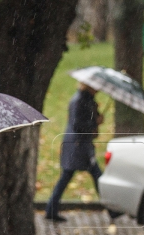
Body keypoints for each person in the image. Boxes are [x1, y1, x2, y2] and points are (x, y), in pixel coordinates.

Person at [45, 83, 117, 222]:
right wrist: (95, 122)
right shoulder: (80, 101)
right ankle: (111, 209)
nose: (98, 88)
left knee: (84, 176)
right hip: (78, 147)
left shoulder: (87, 101)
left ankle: (51, 209)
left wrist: (97, 120)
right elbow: (78, 125)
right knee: (94, 176)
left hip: (80, 145)